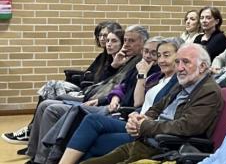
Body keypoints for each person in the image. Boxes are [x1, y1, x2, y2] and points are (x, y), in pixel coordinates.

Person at [25, 27, 156, 164]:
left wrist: (105, 98)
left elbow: (135, 101)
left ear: (143, 43)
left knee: (61, 109)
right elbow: (116, 85)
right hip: (100, 98)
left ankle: (49, 156)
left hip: (119, 110)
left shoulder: (149, 69)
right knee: (50, 102)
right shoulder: (131, 61)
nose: (126, 44)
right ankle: (37, 153)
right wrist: (113, 68)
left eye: (131, 41)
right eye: (125, 40)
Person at [81, 43, 224, 164]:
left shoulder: (209, 91)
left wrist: (144, 126)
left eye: (186, 62)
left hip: (165, 150)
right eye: (177, 62)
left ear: (203, 66)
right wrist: (140, 118)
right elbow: (157, 107)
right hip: (146, 142)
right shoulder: (183, 83)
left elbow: (185, 127)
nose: (179, 68)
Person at [57, 38, 182, 164]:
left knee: (94, 139)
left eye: (166, 56)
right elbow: (136, 100)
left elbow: (143, 106)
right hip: (135, 121)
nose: (161, 60)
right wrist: (142, 74)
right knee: (91, 120)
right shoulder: (156, 77)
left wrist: (140, 118)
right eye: (159, 55)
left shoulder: (178, 81)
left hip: (146, 130)